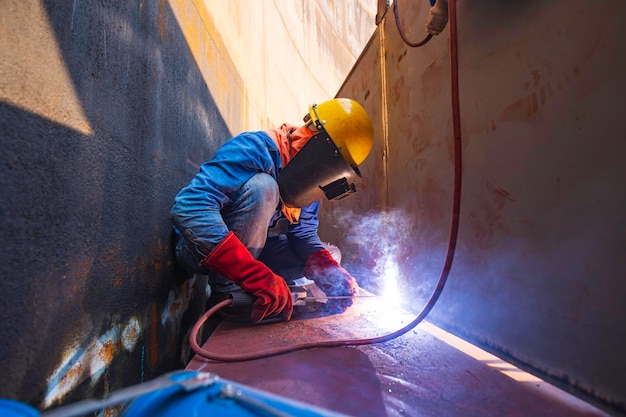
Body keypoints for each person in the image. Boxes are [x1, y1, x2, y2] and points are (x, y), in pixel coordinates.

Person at [171, 98, 374, 323]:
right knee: (264, 188)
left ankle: (270, 289)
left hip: (252, 253)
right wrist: (252, 274)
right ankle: (226, 294)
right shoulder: (254, 148)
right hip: (196, 252)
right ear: (315, 140)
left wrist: (330, 271)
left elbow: (303, 236)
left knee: (332, 257)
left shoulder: (308, 178)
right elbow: (190, 206)